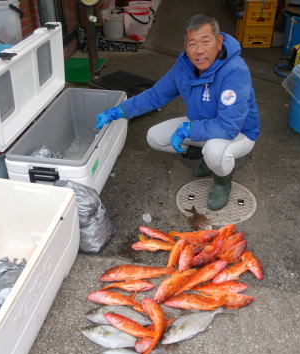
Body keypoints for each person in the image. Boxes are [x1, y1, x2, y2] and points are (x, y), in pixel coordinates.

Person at [94, 14, 260, 210]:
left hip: (239, 133)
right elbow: (156, 95)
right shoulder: (183, 67)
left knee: (214, 151)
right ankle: (204, 157)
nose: (199, 51)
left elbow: (229, 126)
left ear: (219, 41)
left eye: (206, 41)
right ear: (185, 47)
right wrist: (121, 110)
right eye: (193, 44)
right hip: (201, 125)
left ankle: (223, 181)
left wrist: (188, 129)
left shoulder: (235, 71)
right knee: (155, 137)